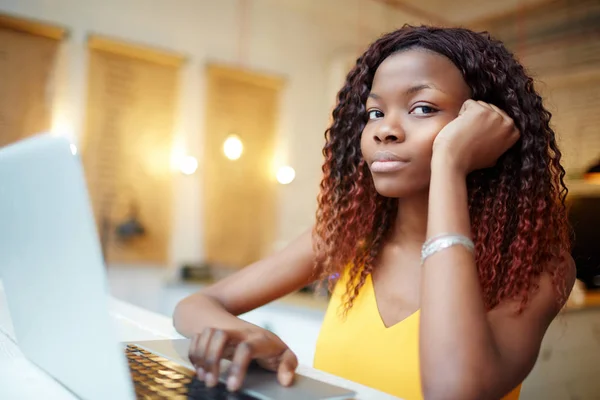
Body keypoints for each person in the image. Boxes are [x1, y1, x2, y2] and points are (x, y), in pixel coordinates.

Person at [173, 25, 576, 400]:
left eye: (422, 108)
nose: (385, 129)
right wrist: (241, 334)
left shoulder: (537, 268)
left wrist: (449, 165)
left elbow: (453, 389)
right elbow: (195, 305)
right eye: (375, 113)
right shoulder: (349, 239)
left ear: (483, 127)